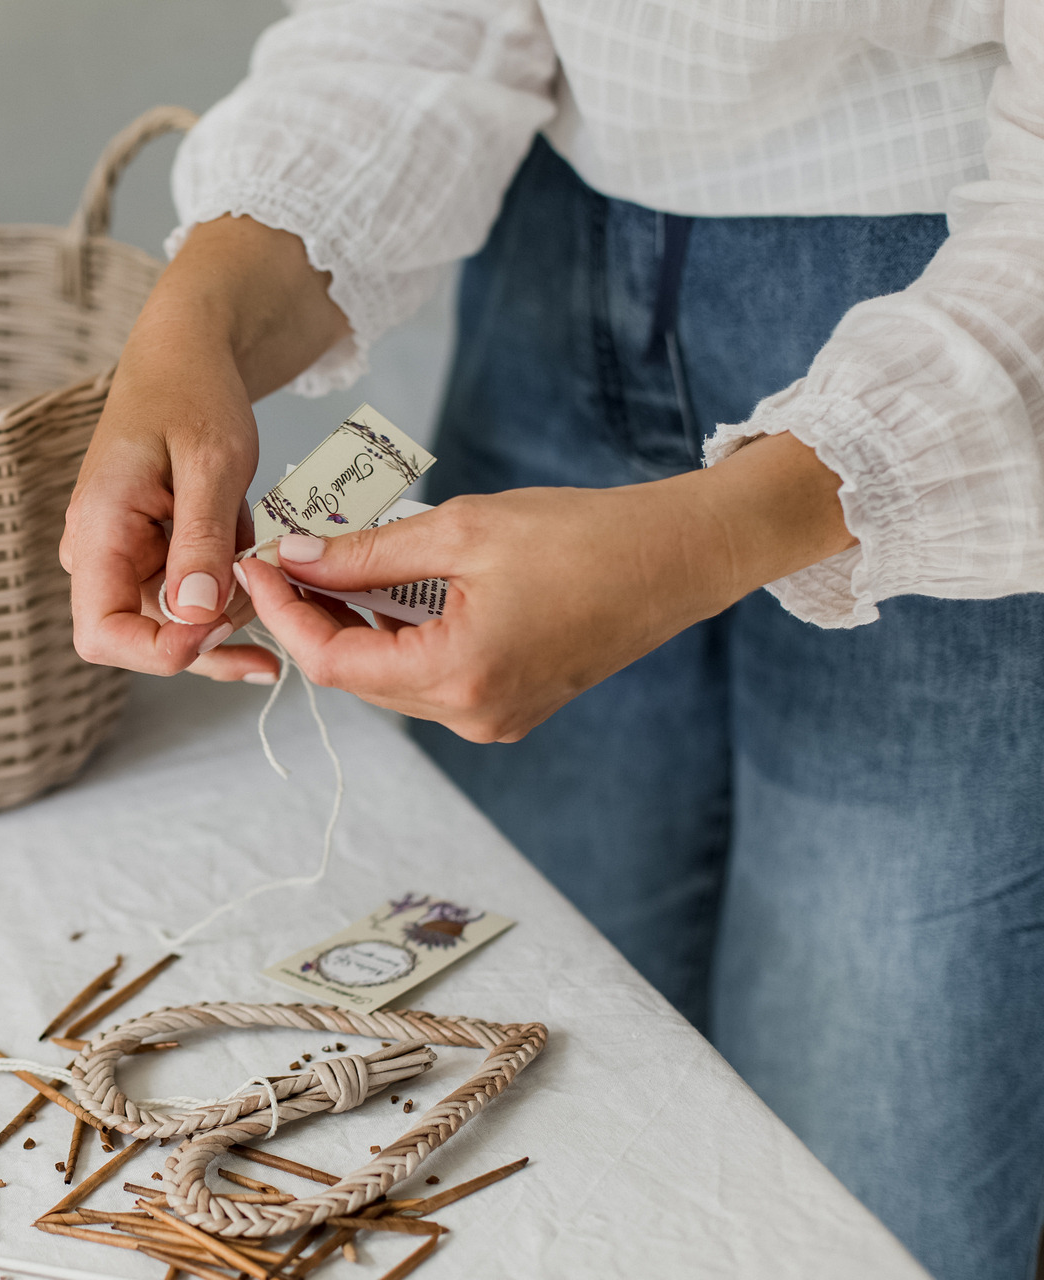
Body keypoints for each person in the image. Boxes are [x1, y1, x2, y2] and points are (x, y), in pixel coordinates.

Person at [60, 3, 1044, 1277]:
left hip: (962, 335)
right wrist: (196, 321)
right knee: (530, 1042)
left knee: (863, 1147)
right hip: (551, 260)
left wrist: (740, 521)